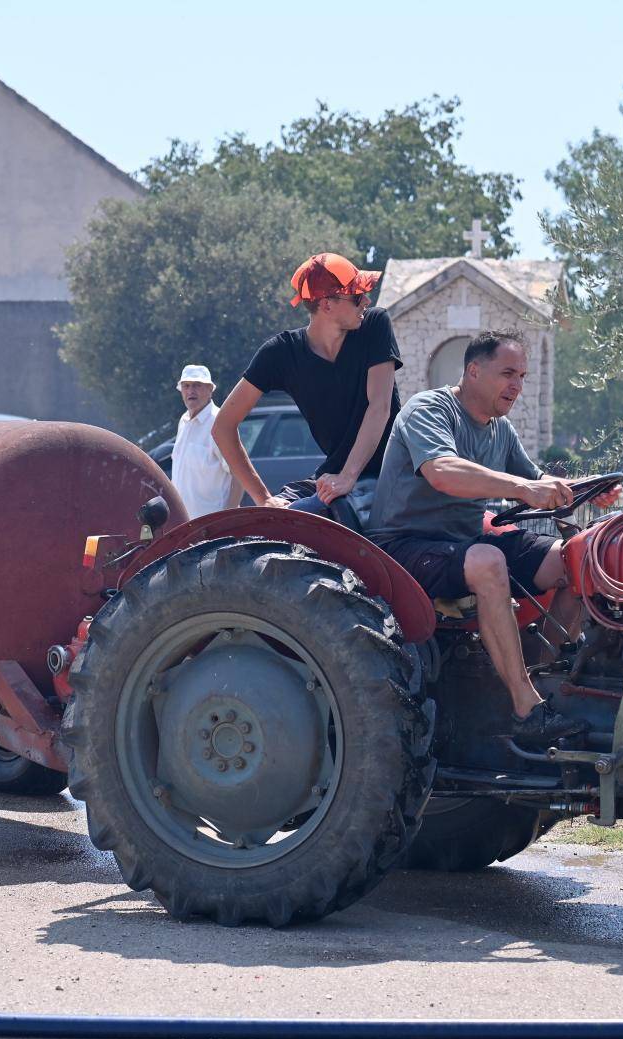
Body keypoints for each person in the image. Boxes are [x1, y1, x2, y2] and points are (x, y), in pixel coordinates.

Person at [368, 329, 587, 742]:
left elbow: (536, 480)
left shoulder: (499, 431)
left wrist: (578, 487)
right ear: (473, 371)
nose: (517, 386)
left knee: (578, 558)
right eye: (508, 373)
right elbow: (443, 472)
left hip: (462, 546)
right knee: (489, 562)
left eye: (522, 376)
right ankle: (525, 707)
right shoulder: (430, 410)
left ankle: (546, 677)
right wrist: (523, 489)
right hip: (404, 549)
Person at [213, 253, 400, 522]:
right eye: (357, 296)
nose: (367, 301)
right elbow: (223, 426)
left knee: (330, 514)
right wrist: (264, 498)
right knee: (274, 522)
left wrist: (347, 477)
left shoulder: (375, 325)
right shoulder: (280, 353)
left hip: (390, 471)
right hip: (334, 477)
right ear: (326, 305)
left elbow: (379, 406)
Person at [169, 364, 238, 519]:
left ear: (210, 390)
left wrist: (228, 518)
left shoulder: (220, 422)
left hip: (212, 527)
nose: (191, 391)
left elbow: (239, 475)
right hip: (184, 525)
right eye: (186, 386)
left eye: (197, 385)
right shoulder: (184, 420)